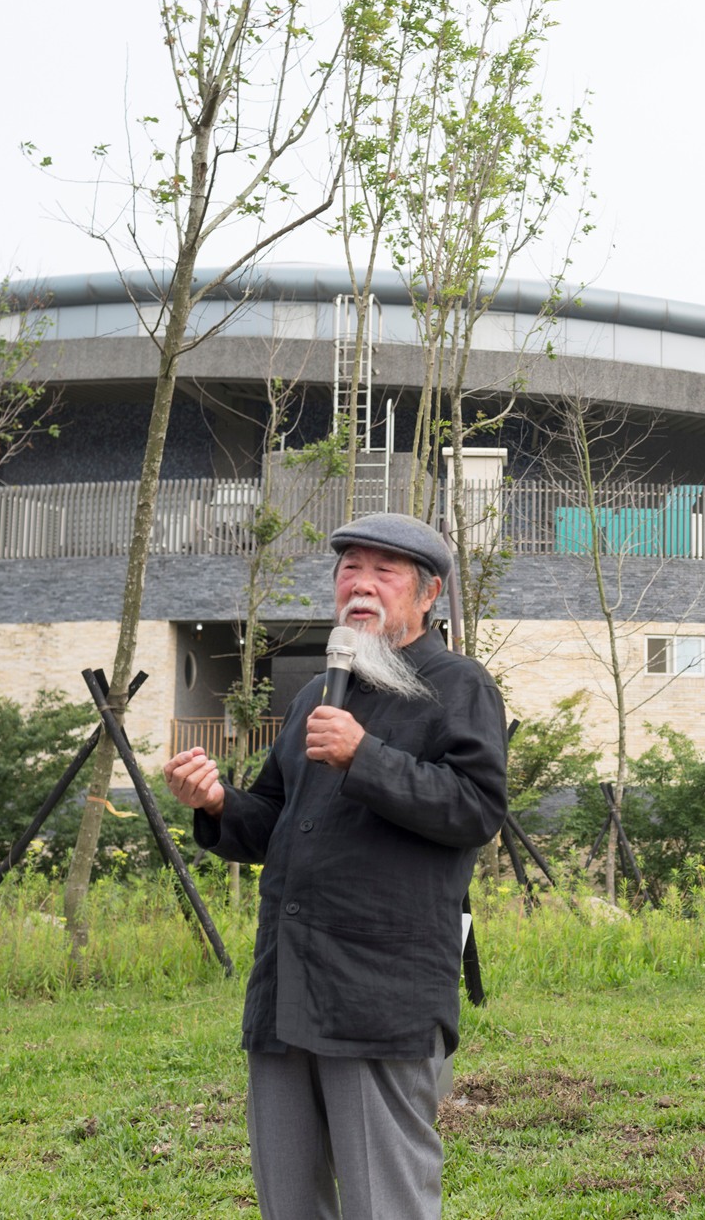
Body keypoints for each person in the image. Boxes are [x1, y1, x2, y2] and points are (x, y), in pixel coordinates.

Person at [164, 513, 507, 1220]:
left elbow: (476, 811)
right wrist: (218, 800)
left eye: (384, 571)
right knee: (287, 1199)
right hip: (288, 988)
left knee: (386, 1202)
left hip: (379, 996)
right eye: (349, 568)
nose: (361, 584)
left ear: (428, 592)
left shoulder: (458, 686)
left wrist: (365, 756)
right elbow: (271, 820)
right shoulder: (318, 694)